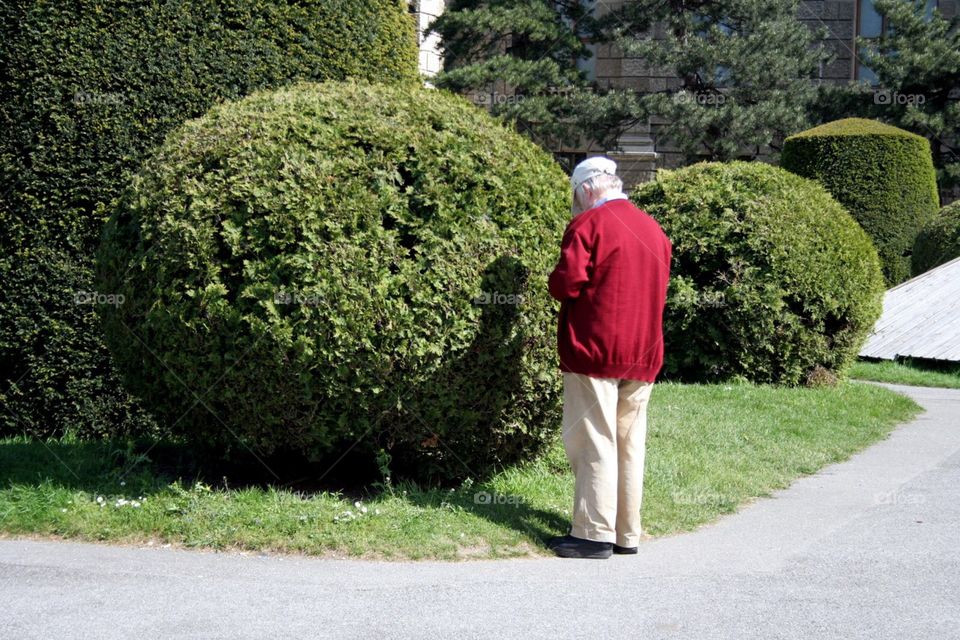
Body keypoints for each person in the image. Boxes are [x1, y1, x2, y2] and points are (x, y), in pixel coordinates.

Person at [547, 156, 672, 559]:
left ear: (586, 190)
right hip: (643, 352)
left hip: (595, 350)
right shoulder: (654, 230)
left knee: (594, 440)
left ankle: (592, 534)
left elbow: (566, 284)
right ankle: (625, 534)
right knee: (629, 443)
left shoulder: (589, 225)